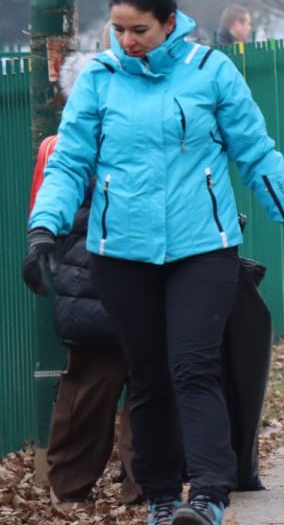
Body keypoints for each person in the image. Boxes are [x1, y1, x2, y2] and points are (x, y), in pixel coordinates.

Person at [26, 0, 284, 525]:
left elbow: (257, 154)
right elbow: (69, 162)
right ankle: (161, 498)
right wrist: (44, 228)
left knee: (193, 365)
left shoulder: (211, 72)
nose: (126, 40)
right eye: (118, 29)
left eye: (139, 29)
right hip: (121, 253)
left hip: (202, 247)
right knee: (149, 373)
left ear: (169, 23)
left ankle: (209, 493)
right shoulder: (100, 79)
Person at [28, 134, 142, 514]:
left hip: (86, 269)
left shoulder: (69, 141)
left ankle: (73, 482)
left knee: (93, 381)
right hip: (109, 263)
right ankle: (144, 480)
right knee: (139, 376)